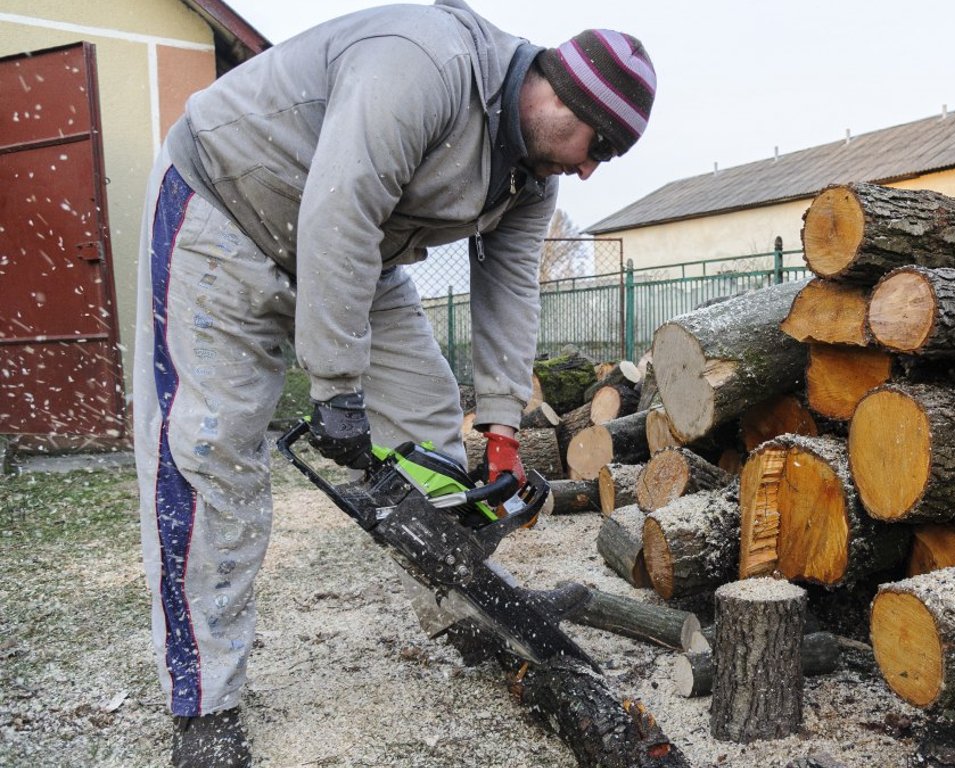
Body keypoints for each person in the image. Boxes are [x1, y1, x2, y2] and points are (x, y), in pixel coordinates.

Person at [131, 2, 655, 764]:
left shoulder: (530, 179)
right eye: (595, 144)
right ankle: (204, 704)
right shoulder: (424, 64)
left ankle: (459, 603)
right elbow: (340, 203)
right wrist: (337, 386)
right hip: (226, 210)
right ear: (556, 91)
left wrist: (504, 429)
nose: (586, 167)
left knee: (428, 419)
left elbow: (509, 289)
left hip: (357, 253)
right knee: (209, 452)